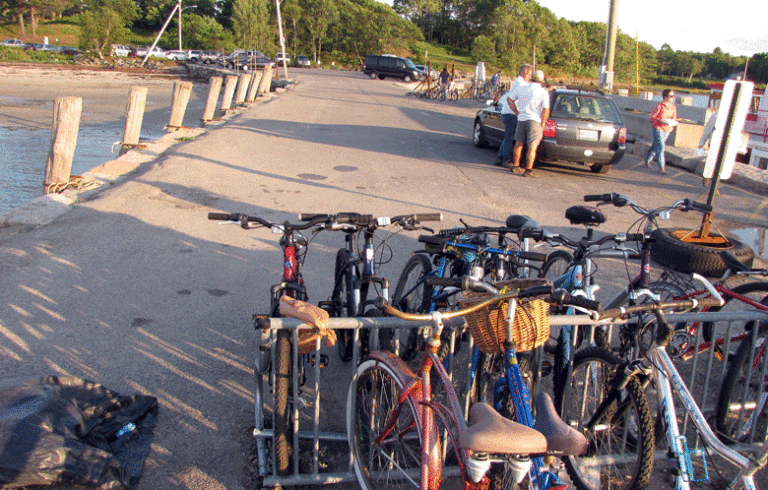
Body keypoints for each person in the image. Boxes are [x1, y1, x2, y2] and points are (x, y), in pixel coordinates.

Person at [509, 69, 549, 178]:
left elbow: (510, 99)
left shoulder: (522, 87)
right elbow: (545, 109)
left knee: (519, 143)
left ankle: (516, 166)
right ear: (541, 81)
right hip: (534, 120)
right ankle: (528, 170)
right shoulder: (543, 92)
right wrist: (543, 122)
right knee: (532, 146)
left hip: (521, 118)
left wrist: (516, 112)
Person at [494, 64, 532, 167]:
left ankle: (500, 157)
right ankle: (506, 159)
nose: (530, 76)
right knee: (509, 138)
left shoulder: (519, 82)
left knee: (507, 136)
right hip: (511, 112)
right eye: (529, 73)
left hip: (508, 111)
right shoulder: (521, 83)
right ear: (524, 73)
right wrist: (516, 112)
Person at [644, 89, 677, 174]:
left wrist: (672, 122)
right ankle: (662, 167)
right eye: (671, 96)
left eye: (673, 96)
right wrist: (660, 121)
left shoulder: (672, 107)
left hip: (667, 129)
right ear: (665, 97)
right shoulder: (659, 106)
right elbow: (652, 117)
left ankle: (647, 159)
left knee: (656, 145)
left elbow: (674, 118)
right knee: (661, 147)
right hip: (658, 128)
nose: (673, 98)